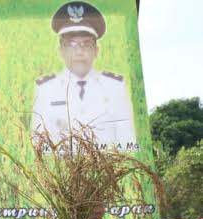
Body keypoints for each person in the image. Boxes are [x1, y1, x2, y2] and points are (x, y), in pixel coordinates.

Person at [32, 2, 136, 150]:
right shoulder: (46, 89)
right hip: (63, 172)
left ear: (96, 51)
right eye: (71, 44)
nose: (79, 51)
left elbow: (127, 143)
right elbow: (40, 146)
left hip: (108, 171)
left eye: (86, 44)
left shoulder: (115, 87)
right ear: (61, 50)